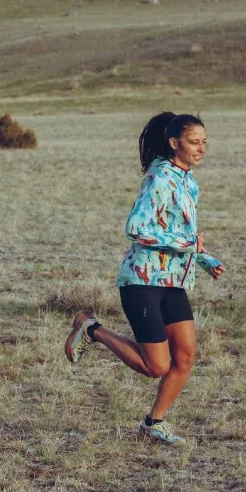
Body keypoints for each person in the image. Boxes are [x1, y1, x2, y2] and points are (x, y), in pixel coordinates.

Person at [65, 111, 224, 445]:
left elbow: (180, 231)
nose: (201, 148)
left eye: (204, 142)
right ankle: (90, 328)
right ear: (173, 143)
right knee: (156, 366)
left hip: (173, 282)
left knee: (185, 357)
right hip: (143, 281)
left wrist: (203, 258)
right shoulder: (161, 178)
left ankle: (154, 423)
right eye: (194, 142)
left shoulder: (187, 179)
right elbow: (136, 228)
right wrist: (188, 244)